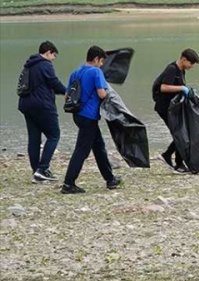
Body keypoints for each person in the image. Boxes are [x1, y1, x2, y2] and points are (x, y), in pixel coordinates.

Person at [61, 46, 122, 194]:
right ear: (96, 59)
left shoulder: (75, 72)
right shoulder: (96, 72)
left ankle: (110, 179)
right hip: (89, 116)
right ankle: (68, 184)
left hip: (78, 115)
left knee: (99, 146)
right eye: (101, 61)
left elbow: (66, 96)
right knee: (82, 150)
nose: (101, 64)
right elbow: (102, 94)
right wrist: (110, 93)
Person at [18, 41, 67, 182]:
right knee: (54, 135)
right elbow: (53, 82)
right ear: (48, 52)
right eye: (53, 56)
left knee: (34, 138)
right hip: (42, 105)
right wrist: (67, 92)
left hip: (26, 105)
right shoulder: (45, 64)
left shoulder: (29, 64)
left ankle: (36, 172)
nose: (53, 59)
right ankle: (42, 168)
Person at [152, 48, 199, 173]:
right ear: (184, 59)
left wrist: (187, 91)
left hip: (173, 108)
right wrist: (182, 88)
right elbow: (164, 87)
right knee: (180, 134)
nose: (192, 67)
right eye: (191, 63)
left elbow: (178, 87)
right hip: (164, 108)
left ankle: (170, 157)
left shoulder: (181, 71)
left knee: (181, 133)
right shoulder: (172, 69)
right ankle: (176, 162)